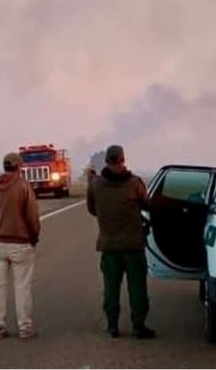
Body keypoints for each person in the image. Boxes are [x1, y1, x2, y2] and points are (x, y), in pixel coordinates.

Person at [86, 144, 156, 339]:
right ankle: (139, 325)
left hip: (109, 244)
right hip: (133, 244)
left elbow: (92, 209)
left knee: (111, 288)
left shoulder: (96, 184)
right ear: (123, 160)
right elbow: (148, 205)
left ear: (107, 161)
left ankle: (112, 325)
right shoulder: (134, 183)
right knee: (137, 288)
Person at [0, 151, 41, 339]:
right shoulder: (24, 187)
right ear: (19, 167)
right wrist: (34, 238)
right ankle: (25, 327)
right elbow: (32, 217)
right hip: (20, 243)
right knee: (22, 286)